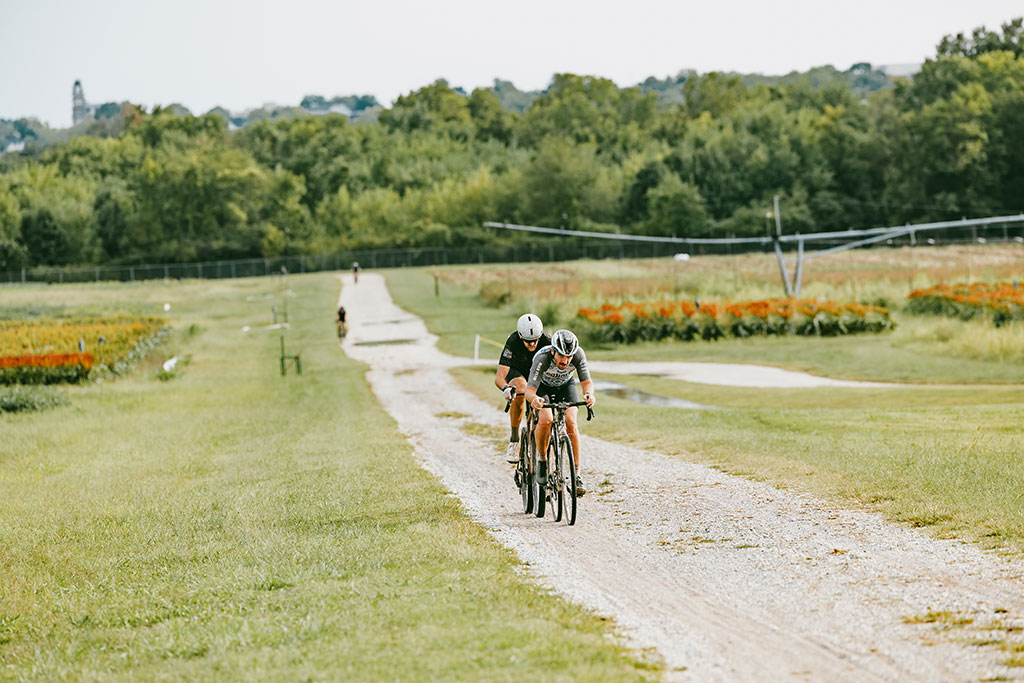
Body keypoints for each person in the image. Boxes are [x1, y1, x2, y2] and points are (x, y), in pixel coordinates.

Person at [523, 329, 595, 496]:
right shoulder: (542, 358)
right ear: (553, 351)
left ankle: (577, 475)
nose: (565, 360)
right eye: (561, 355)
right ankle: (542, 460)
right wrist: (534, 399)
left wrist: (589, 395)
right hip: (542, 388)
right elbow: (529, 391)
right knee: (546, 419)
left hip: (565, 386)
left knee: (571, 421)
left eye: (569, 356)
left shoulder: (578, 354)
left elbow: (587, 382)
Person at [495, 313, 551, 465]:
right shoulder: (513, 341)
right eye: (528, 341)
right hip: (517, 372)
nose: (532, 344)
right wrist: (506, 388)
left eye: (535, 340)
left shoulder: (547, 341)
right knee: (519, 389)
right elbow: (499, 377)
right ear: (520, 336)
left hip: (537, 373)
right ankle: (514, 439)